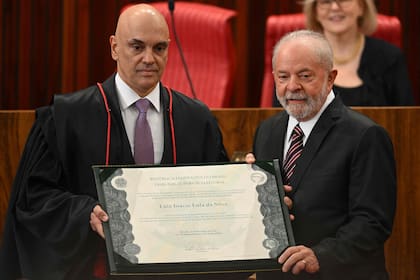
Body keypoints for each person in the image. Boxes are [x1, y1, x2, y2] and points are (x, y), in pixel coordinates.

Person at [0, 4, 251, 280]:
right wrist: (86, 211)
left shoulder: (195, 119)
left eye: (159, 48)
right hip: (95, 268)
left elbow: (218, 199)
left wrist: (244, 183)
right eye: (136, 47)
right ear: (114, 47)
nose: (149, 59)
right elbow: (35, 198)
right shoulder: (66, 117)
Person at [253, 30, 396, 279]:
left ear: (330, 78)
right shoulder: (266, 130)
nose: (292, 86)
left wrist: (320, 256)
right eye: (283, 77)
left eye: (305, 76)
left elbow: (373, 222)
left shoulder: (366, 135)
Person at [273, 0, 414, 106]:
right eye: (326, 1)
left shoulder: (390, 57)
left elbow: (407, 120)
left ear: (361, 6)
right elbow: (280, 118)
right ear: (315, 12)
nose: (334, 7)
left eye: (343, 0)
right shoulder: (296, 56)